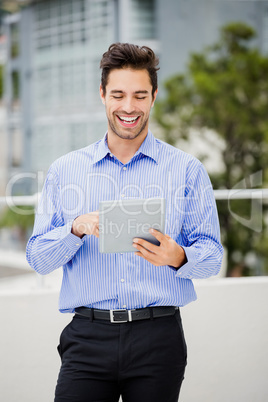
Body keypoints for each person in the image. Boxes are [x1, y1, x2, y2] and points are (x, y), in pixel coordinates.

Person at [26, 43, 223, 402]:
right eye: (118, 94)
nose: (129, 107)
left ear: (153, 97)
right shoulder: (65, 170)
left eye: (139, 95)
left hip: (158, 338)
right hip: (87, 338)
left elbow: (212, 256)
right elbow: (38, 257)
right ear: (102, 94)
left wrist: (178, 256)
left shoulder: (187, 170)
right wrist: (74, 230)